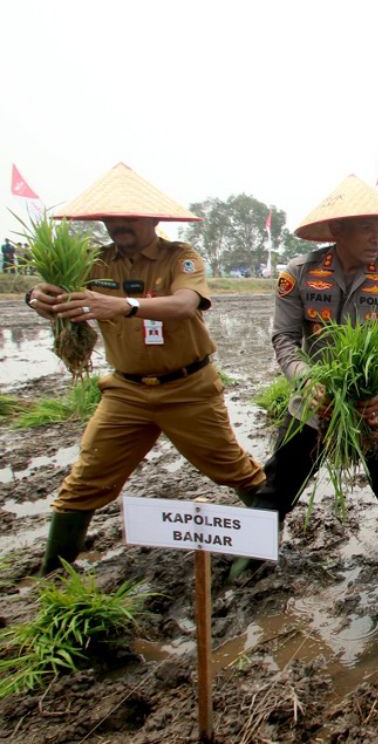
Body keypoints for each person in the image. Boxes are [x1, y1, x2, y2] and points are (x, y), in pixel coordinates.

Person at [24, 162, 266, 575]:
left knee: (233, 469)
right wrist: (37, 295)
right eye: (111, 217)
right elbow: (53, 292)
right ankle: (53, 576)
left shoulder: (180, 258)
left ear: (154, 218)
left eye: (130, 217)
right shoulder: (94, 263)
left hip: (187, 388)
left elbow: (185, 304)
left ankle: (263, 543)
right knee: (84, 481)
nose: (119, 224)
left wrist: (125, 306)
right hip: (126, 393)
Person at [232, 175, 378, 578]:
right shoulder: (299, 274)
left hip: (374, 404)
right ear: (338, 229)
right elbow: (284, 337)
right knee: (278, 485)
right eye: (367, 227)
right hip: (313, 402)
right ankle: (250, 557)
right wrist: (305, 379)